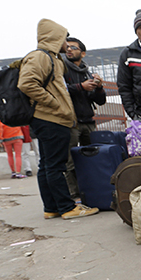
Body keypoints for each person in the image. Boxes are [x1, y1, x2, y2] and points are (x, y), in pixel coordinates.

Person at [17, 19, 99, 220]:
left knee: (47, 165)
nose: (67, 44)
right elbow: (27, 84)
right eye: (65, 39)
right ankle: (66, 207)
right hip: (50, 119)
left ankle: (51, 207)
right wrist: (55, 104)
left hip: (50, 119)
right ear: (55, 38)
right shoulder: (40, 57)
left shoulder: (51, 58)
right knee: (56, 165)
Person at [63, 37, 106, 203]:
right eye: (67, 47)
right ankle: (75, 196)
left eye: (73, 47)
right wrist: (81, 86)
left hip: (88, 120)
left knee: (92, 158)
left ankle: (92, 190)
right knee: (70, 161)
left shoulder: (87, 72)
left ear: (82, 53)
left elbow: (100, 101)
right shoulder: (63, 69)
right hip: (71, 122)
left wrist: (99, 87)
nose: (69, 50)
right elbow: (61, 89)